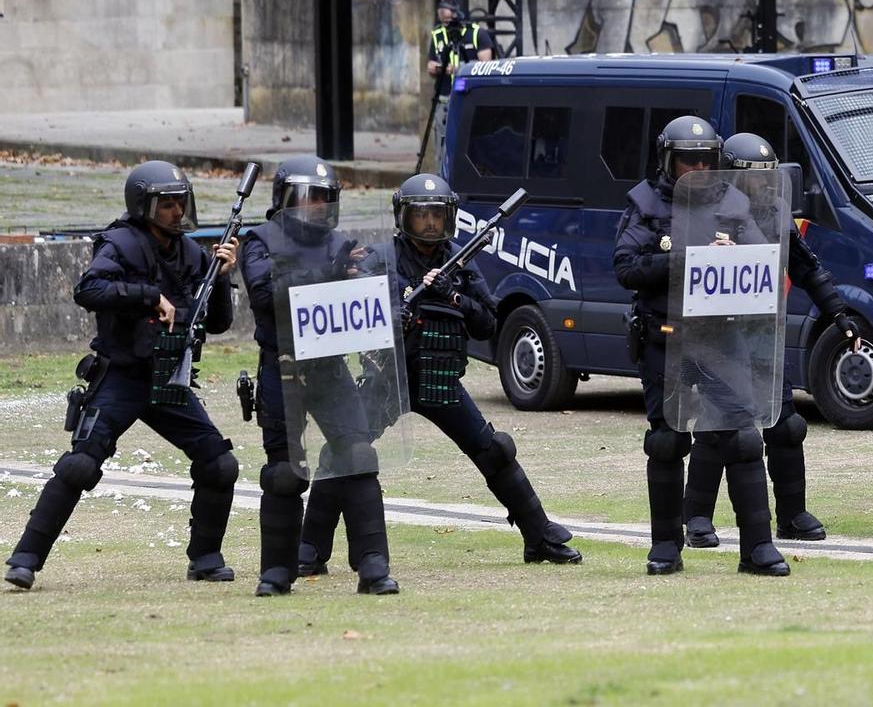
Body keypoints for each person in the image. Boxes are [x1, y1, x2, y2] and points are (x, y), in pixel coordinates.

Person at [296, 174, 581, 578]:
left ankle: (539, 536)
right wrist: (398, 307)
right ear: (403, 217)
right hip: (387, 379)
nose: (430, 223)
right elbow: (353, 311)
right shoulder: (379, 258)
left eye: (436, 215)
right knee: (344, 450)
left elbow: (487, 324)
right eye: (421, 216)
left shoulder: (460, 262)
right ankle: (309, 549)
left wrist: (452, 296)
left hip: (440, 378)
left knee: (494, 449)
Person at [4, 162, 241, 591]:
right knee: (79, 465)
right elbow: (88, 290)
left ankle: (205, 558)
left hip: (169, 378)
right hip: (122, 378)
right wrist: (151, 297)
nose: (175, 212)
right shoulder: (118, 243)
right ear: (143, 205)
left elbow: (219, 323)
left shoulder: (191, 253)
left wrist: (223, 277)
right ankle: (25, 560)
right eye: (165, 204)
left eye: (179, 203)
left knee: (220, 463)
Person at [614, 116, 791, 577]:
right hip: (665, 335)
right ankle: (666, 547)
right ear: (667, 161)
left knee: (743, 436)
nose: (696, 168)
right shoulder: (645, 203)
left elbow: (762, 263)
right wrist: (680, 260)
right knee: (668, 441)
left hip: (719, 334)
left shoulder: (733, 202)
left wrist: (732, 255)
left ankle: (758, 547)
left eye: (705, 160)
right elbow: (626, 268)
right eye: (686, 160)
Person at [683, 133, 862, 551]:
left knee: (785, 426)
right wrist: (712, 252)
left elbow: (807, 268)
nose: (760, 187)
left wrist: (839, 314)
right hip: (718, 337)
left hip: (764, 334)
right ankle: (696, 518)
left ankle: (792, 515)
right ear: (729, 176)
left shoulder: (778, 213)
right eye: (750, 179)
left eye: (767, 178)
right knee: (717, 427)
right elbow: (680, 274)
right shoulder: (704, 212)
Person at [240, 156, 398, 596]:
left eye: (325, 199)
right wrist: (331, 274)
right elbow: (267, 291)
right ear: (285, 199)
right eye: (308, 199)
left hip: (329, 368)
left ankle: (373, 565)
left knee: (359, 455)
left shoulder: (341, 244)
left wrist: (370, 274)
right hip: (283, 368)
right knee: (284, 472)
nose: (316, 208)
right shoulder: (259, 241)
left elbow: (369, 293)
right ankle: (276, 572)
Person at [422, 1, 495, 169]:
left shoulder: (477, 34)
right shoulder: (438, 35)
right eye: (443, 20)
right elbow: (431, 65)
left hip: (470, 98)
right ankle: (442, 179)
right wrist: (437, 68)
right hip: (444, 98)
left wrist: (457, 69)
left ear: (458, 15)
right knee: (442, 142)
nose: (447, 24)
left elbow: (486, 65)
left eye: (449, 19)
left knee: (472, 141)